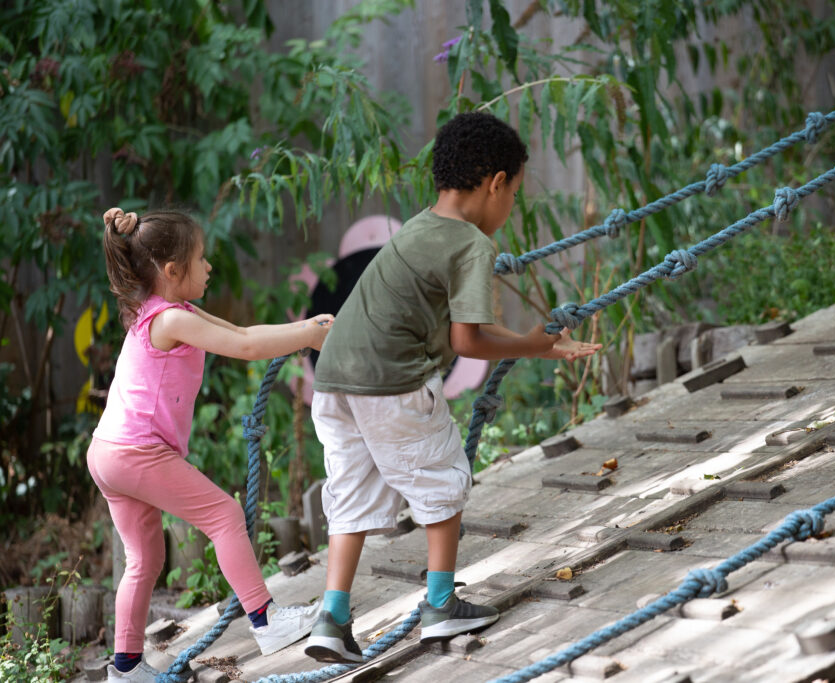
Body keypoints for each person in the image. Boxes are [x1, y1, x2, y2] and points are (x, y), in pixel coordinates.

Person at [304, 112, 602, 663]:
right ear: (495, 184)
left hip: (335, 381)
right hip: (392, 384)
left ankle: (332, 616)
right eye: (513, 191)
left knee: (351, 494)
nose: (510, 205)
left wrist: (524, 340)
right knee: (441, 479)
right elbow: (468, 339)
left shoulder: (417, 227)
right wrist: (535, 343)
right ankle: (440, 605)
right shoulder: (470, 244)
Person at [89, 208, 334, 682]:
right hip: (137, 451)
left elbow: (243, 334)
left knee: (144, 559)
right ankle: (266, 622)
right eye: (201, 259)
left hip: (109, 452)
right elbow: (242, 349)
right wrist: (309, 335)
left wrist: (306, 330)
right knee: (223, 515)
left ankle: (125, 668)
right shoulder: (169, 321)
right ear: (171, 270)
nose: (209, 267)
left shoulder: (159, 311)